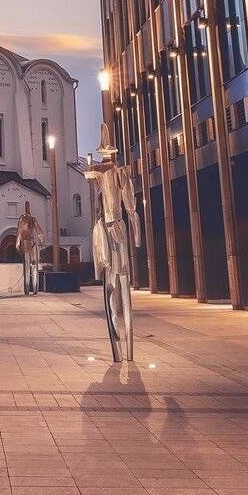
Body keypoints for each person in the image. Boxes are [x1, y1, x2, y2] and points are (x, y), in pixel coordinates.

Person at [87, 126, 141, 361]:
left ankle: (128, 346)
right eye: (103, 153)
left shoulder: (120, 174)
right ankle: (117, 342)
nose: (104, 157)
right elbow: (89, 172)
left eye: (107, 153)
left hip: (117, 228)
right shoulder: (99, 172)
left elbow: (130, 204)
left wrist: (137, 234)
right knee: (110, 283)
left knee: (123, 279)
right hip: (104, 232)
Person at [15, 200, 44, 295]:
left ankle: (35, 289)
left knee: (34, 266)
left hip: (32, 243)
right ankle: (27, 289)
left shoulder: (32, 220)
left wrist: (41, 239)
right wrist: (18, 243)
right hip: (26, 243)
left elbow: (38, 230)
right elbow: (19, 232)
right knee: (27, 267)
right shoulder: (22, 220)